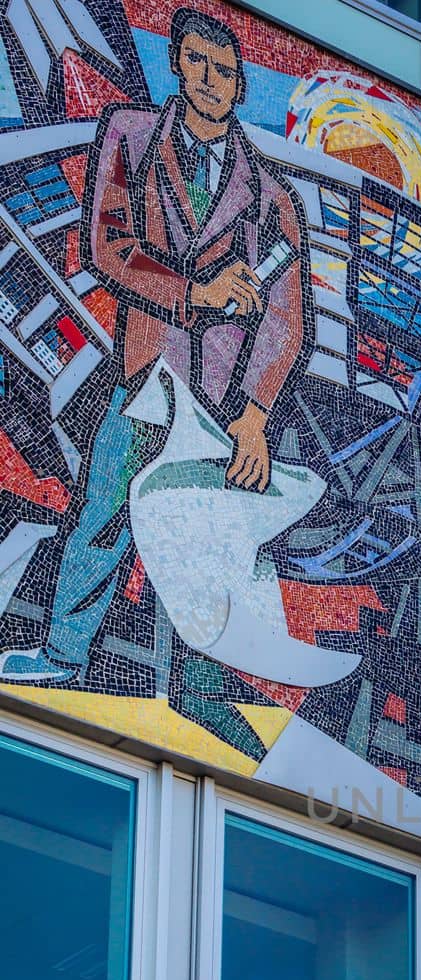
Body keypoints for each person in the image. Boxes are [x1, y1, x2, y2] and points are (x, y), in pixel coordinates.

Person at [0, 7, 311, 685]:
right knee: (105, 508)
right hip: (147, 373)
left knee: (211, 544)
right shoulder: (132, 136)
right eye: (197, 62)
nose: (210, 80)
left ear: (240, 87)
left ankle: (208, 681)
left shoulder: (269, 197)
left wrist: (255, 416)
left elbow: (285, 319)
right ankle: (62, 655)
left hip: (223, 399)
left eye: (225, 71)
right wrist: (196, 291)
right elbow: (109, 248)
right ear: (175, 63)